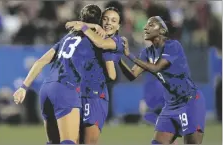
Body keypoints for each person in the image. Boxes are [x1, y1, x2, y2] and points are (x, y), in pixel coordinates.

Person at [13, 4, 103, 144]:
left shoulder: (67, 38)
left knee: (53, 142)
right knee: (69, 141)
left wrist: (23, 87)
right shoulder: (96, 38)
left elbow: (40, 61)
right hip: (66, 88)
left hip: (47, 89)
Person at [119, 16, 206, 144]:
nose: (145, 28)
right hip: (171, 105)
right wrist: (118, 59)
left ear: (161, 30)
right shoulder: (146, 53)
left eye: (150, 25)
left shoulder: (173, 46)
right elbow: (132, 75)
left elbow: (156, 67)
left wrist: (128, 55)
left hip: (189, 102)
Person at [66, 7, 124, 144]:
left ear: (118, 26)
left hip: (95, 96)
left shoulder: (115, 41)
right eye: (105, 19)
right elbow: (69, 24)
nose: (109, 23)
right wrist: (93, 26)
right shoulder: (93, 36)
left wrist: (85, 26)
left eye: (113, 20)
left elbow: (112, 75)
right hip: (80, 95)